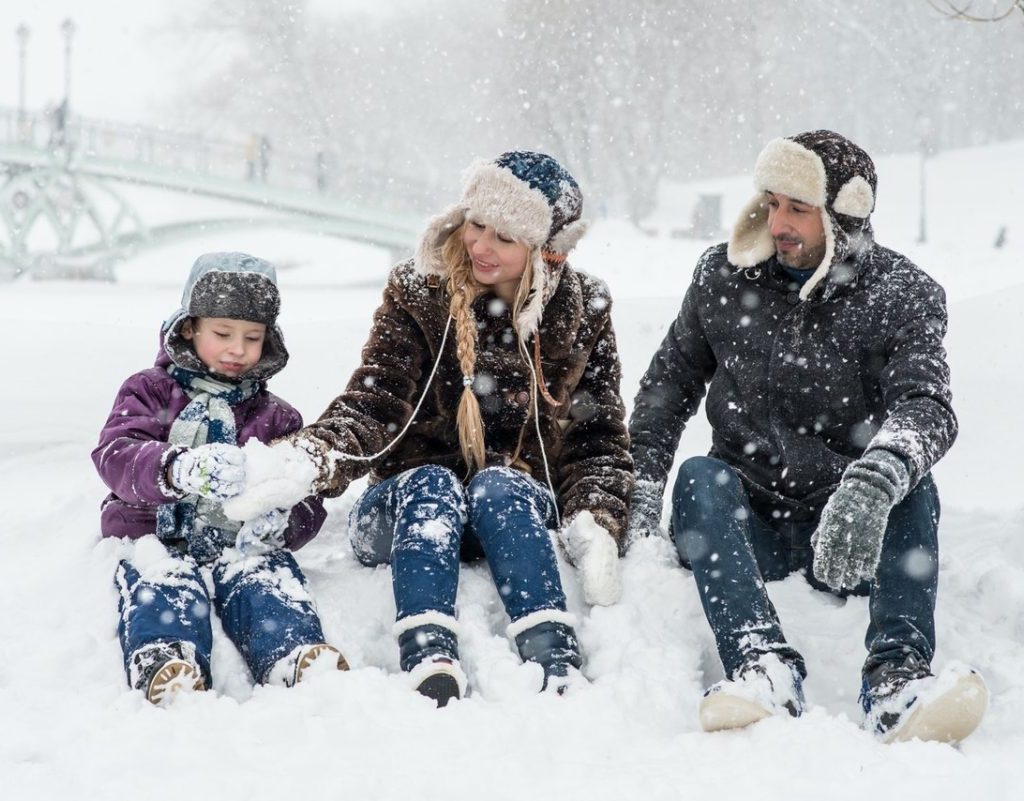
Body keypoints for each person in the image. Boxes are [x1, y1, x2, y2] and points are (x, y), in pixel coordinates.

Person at [230, 151, 633, 705]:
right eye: (476, 224)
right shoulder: (418, 290)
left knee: (501, 485)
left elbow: (598, 435)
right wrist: (309, 458)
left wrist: (596, 517)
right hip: (405, 510)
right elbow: (375, 402)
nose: (480, 245)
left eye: (504, 237)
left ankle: (552, 653)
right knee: (432, 484)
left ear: (546, 253)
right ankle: (428, 652)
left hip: (510, 515)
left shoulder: (585, 309)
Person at [628, 130, 988, 743]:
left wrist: (873, 483)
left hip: (850, 535)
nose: (778, 224)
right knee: (698, 477)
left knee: (913, 483)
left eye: (798, 208)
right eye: (771, 203)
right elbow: (666, 390)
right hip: (746, 528)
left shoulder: (902, 294)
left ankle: (897, 681)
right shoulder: (722, 277)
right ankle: (761, 666)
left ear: (843, 216)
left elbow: (927, 405)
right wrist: (638, 490)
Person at [93, 252, 347, 705]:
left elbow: (305, 494)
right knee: (163, 581)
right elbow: (115, 453)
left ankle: (291, 652)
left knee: (265, 579)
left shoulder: (277, 417)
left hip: (238, 543)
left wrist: (284, 523)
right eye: (223, 334)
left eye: (252, 337)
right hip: (154, 533)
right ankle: (166, 656)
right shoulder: (149, 391)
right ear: (189, 328)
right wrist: (176, 468)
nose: (237, 350)